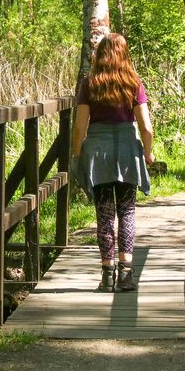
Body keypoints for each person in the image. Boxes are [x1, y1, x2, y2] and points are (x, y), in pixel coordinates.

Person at [71, 33, 156, 292]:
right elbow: (146, 127)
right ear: (124, 54)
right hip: (127, 151)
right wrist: (149, 153)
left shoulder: (90, 84)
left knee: (104, 214)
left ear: (100, 55)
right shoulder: (134, 83)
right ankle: (126, 275)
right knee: (127, 212)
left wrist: (77, 154)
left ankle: (107, 275)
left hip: (98, 153)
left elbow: (79, 126)